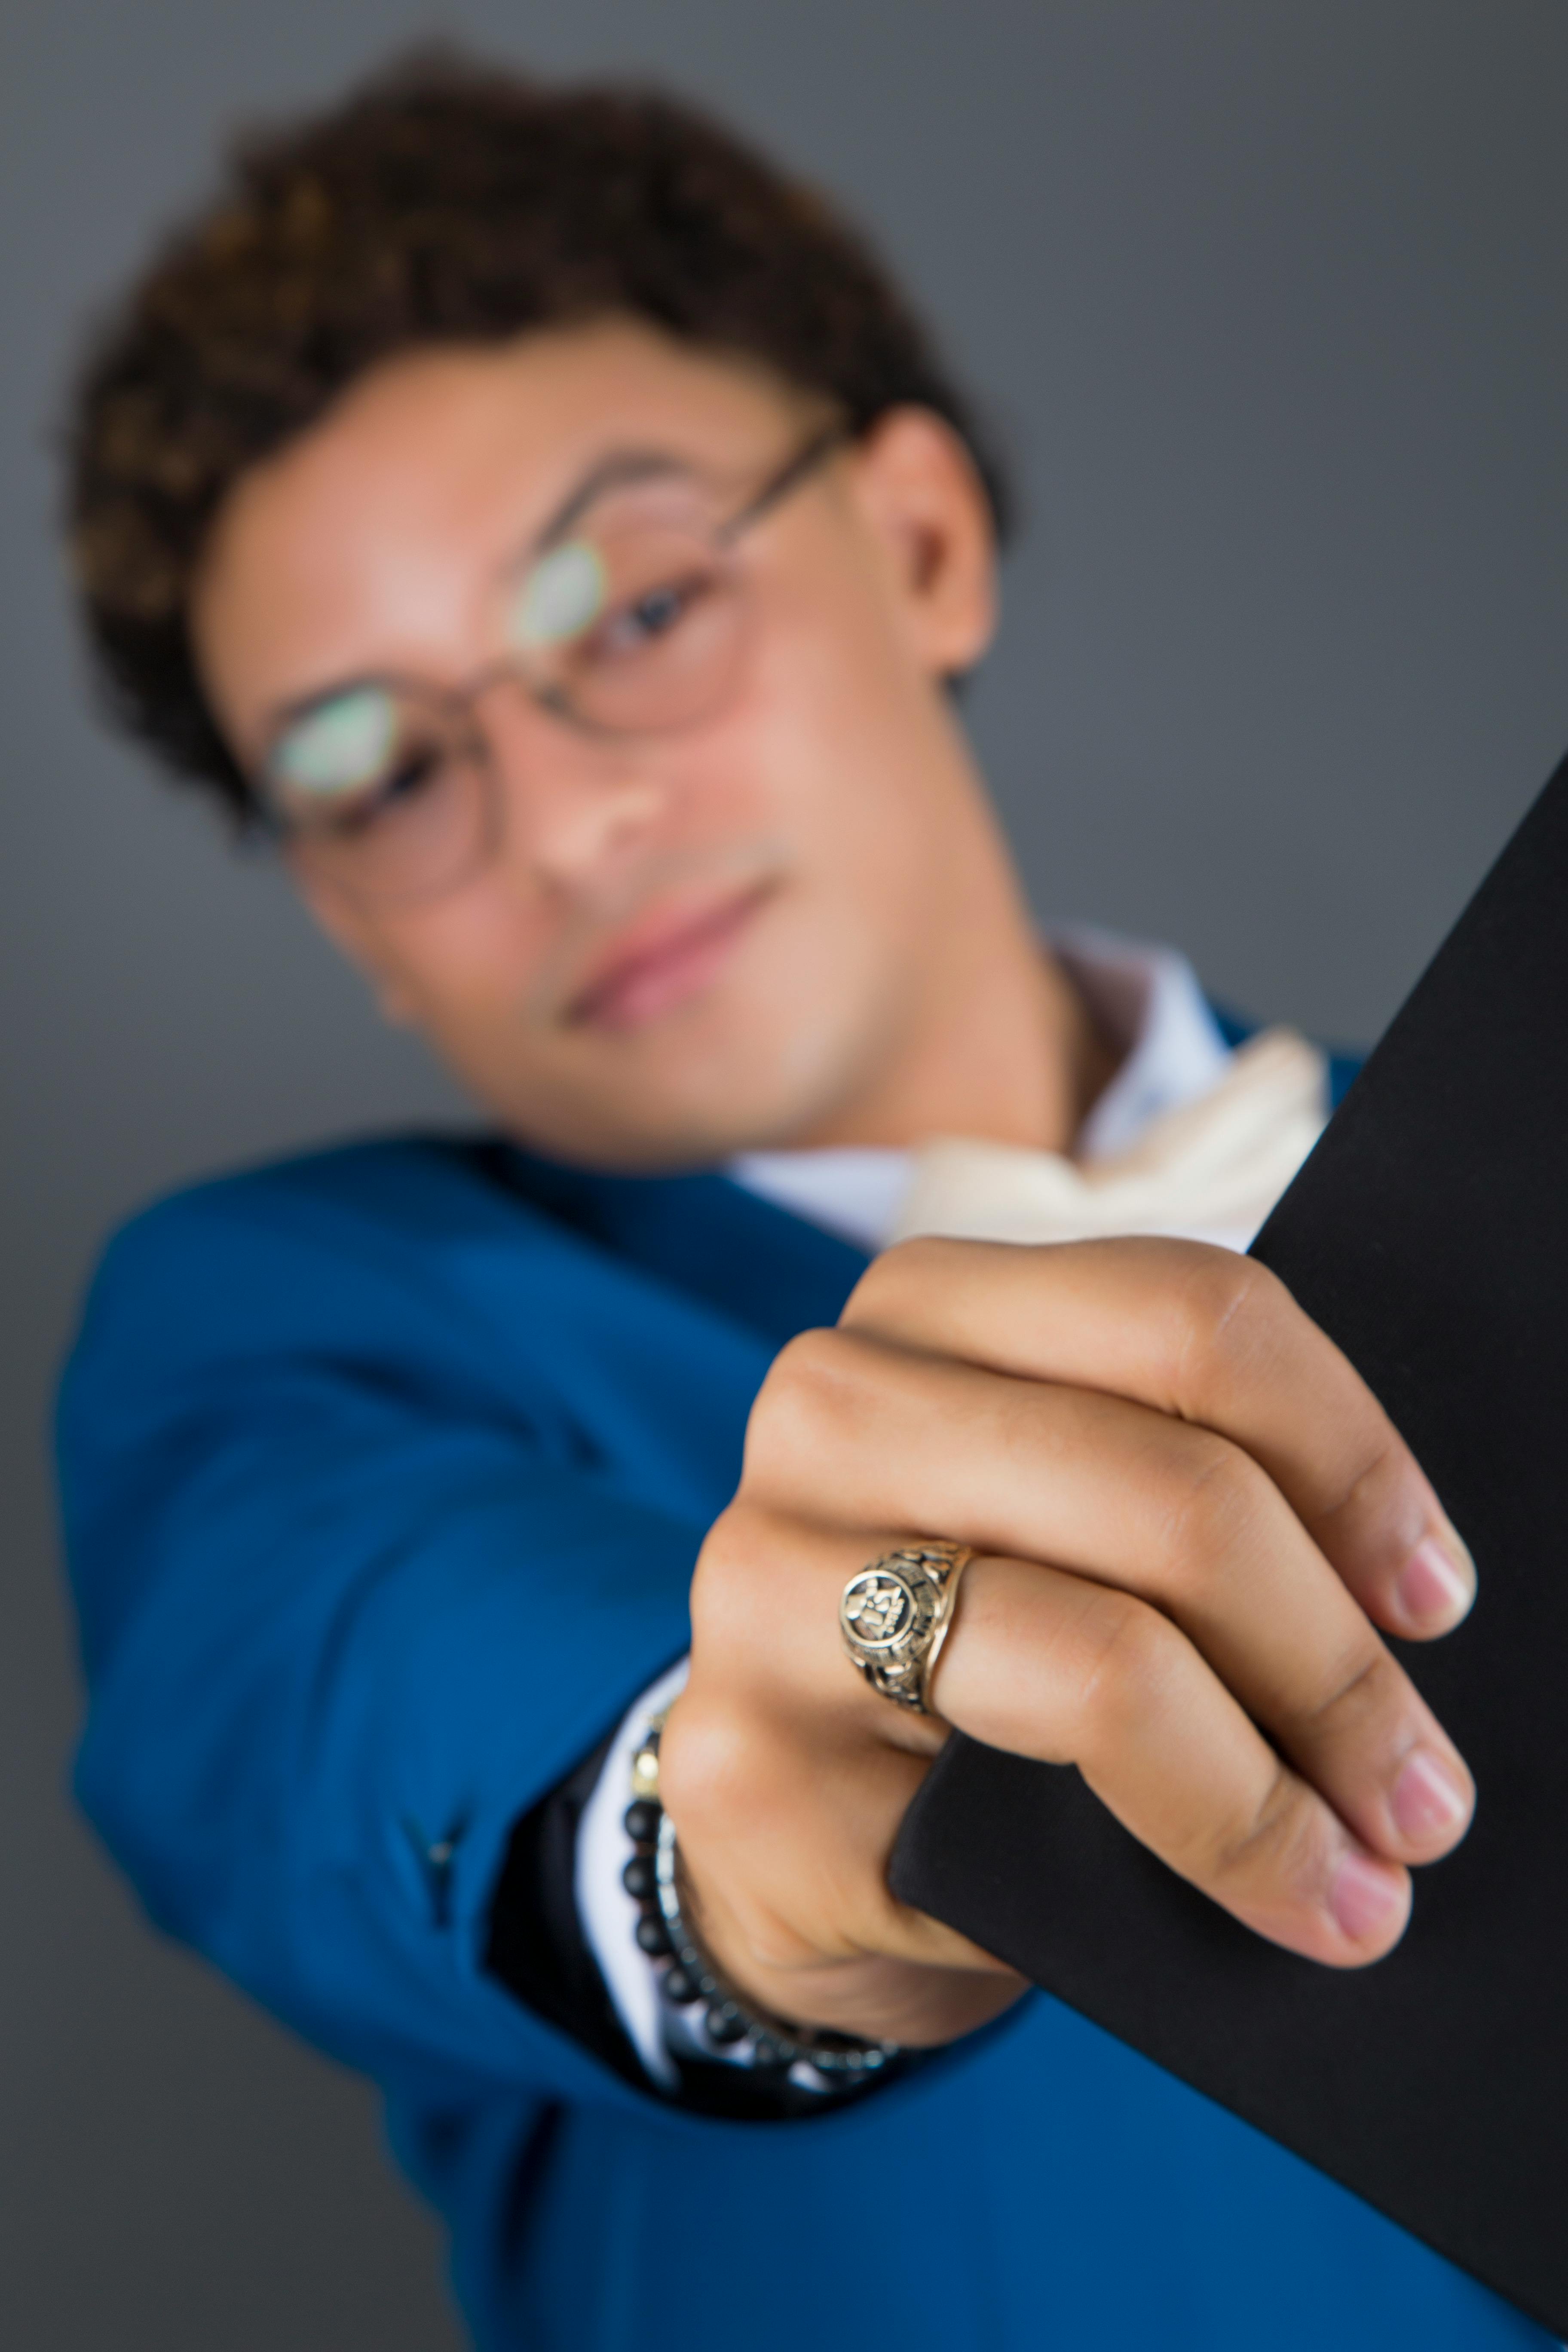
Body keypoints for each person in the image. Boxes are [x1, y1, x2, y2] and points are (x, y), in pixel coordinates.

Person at [55, 51, 1544, 2352]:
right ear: (350, 920)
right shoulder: (281, 1333)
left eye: (634, 610)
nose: (558, 822)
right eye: (380, 774)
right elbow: (375, 1703)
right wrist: (729, 1842)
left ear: (920, 542)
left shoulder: (1495, 1148)